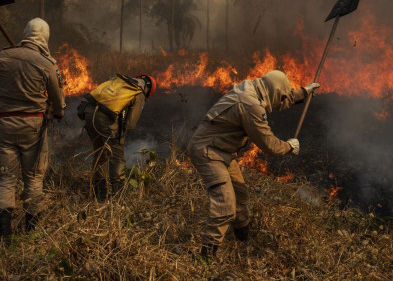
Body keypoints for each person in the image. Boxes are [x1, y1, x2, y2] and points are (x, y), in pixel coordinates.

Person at [187, 70, 319, 258]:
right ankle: (206, 256)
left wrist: (304, 93)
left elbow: (279, 98)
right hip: (208, 152)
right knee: (225, 206)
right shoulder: (250, 105)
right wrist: (289, 147)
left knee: (241, 196)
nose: (282, 101)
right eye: (281, 96)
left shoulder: (253, 88)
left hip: (223, 150)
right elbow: (269, 145)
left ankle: (243, 243)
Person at [0, 18, 65, 241]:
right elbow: (58, 101)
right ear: (45, 37)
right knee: (33, 177)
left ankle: (5, 235)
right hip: (33, 128)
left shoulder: (3, 56)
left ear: (25, 32)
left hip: (3, 125)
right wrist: (58, 112)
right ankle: (31, 232)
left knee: (6, 178)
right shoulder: (47, 63)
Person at [76, 73, 157, 200]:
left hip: (89, 114)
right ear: (148, 89)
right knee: (116, 156)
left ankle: (99, 194)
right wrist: (120, 139)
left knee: (100, 154)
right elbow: (130, 124)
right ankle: (117, 196)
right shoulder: (139, 93)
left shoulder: (119, 81)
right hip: (105, 120)